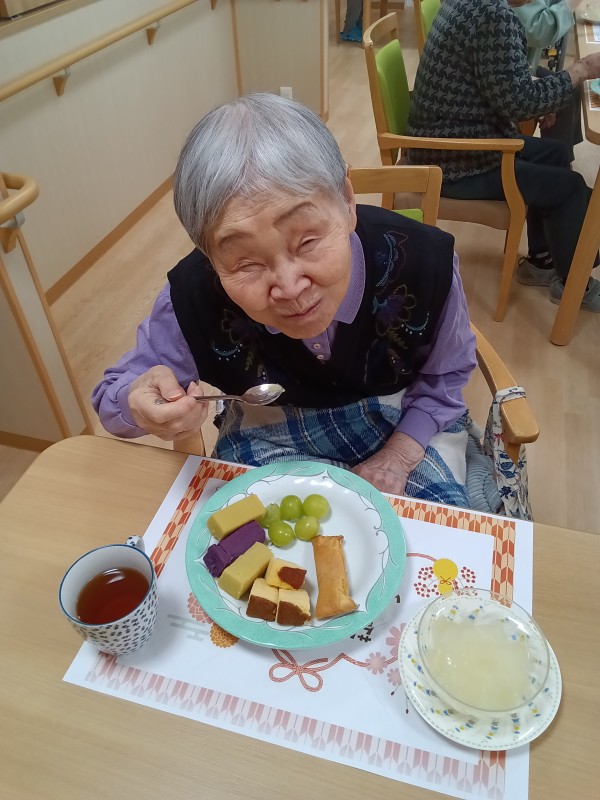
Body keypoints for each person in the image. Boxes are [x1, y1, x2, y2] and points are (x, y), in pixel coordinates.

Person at [92, 93, 478, 508]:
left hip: (403, 420)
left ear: (347, 200)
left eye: (307, 241)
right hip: (268, 430)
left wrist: (399, 456)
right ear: (209, 257)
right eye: (245, 263)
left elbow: (445, 378)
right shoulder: (192, 297)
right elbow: (114, 399)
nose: (290, 288)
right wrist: (140, 404)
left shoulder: (422, 262)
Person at [405, 0, 600, 311]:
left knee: (555, 154)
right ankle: (575, 286)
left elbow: (501, 83)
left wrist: (543, 97)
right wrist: (582, 69)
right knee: (569, 187)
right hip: (455, 162)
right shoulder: (494, 15)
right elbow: (518, 103)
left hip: (438, 143)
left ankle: (542, 260)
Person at [514, 0, 584, 161]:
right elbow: (536, 31)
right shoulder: (494, 13)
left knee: (572, 88)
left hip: (523, 65)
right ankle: (555, 161)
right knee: (564, 95)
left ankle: (561, 158)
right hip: (511, 73)